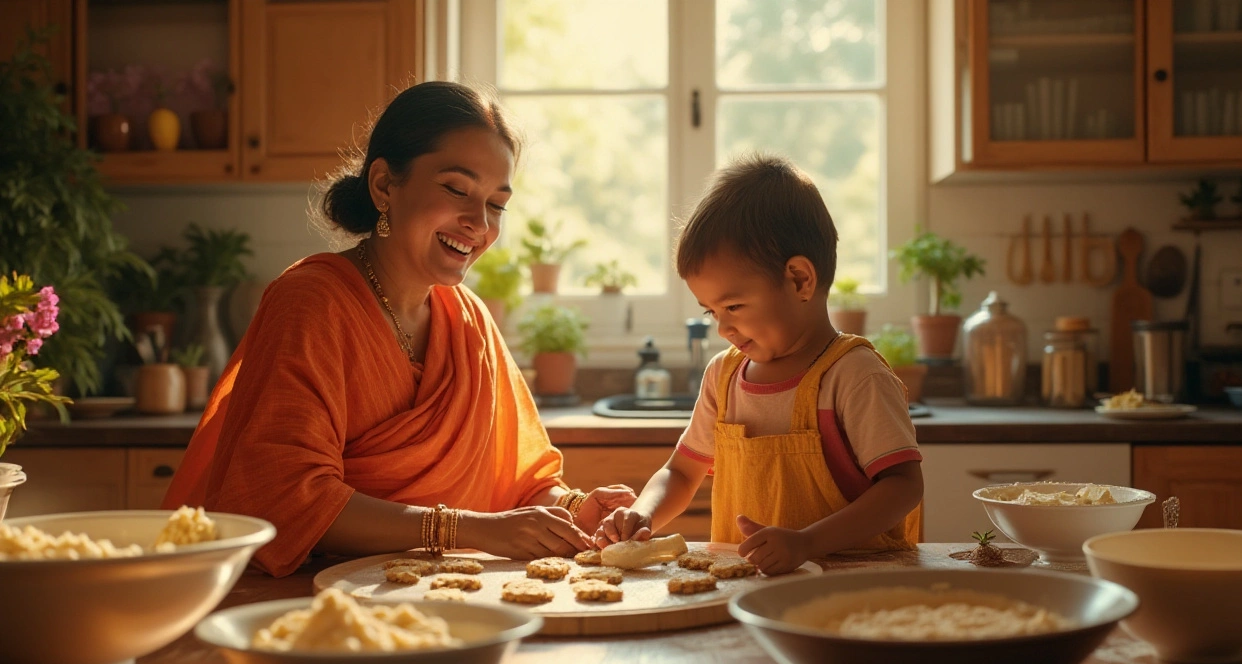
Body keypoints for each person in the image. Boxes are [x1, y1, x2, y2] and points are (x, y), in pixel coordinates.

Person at [163, 81, 634, 577]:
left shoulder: (469, 320)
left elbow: (520, 484)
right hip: (318, 607)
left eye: (496, 204)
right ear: (385, 184)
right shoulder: (310, 303)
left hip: (455, 597)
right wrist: (465, 530)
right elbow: (284, 495)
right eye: (457, 189)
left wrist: (575, 507)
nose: (479, 222)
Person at [594, 155, 923, 575]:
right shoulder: (724, 377)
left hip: (852, 588)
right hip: (745, 587)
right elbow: (680, 472)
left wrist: (807, 543)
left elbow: (902, 488)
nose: (724, 328)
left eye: (733, 305)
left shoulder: (854, 376)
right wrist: (643, 515)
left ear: (800, 279)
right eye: (713, 312)